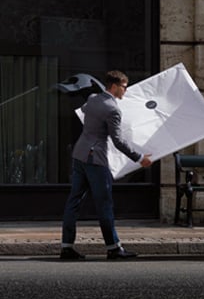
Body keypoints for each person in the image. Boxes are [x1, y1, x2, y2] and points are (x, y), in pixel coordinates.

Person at [60, 70, 153, 260]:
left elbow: (85, 111)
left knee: (73, 202)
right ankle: (113, 248)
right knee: (104, 204)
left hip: (79, 155)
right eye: (124, 87)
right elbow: (117, 140)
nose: (125, 91)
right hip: (96, 159)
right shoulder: (113, 109)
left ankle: (66, 247)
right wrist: (139, 157)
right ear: (114, 86)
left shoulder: (93, 99)